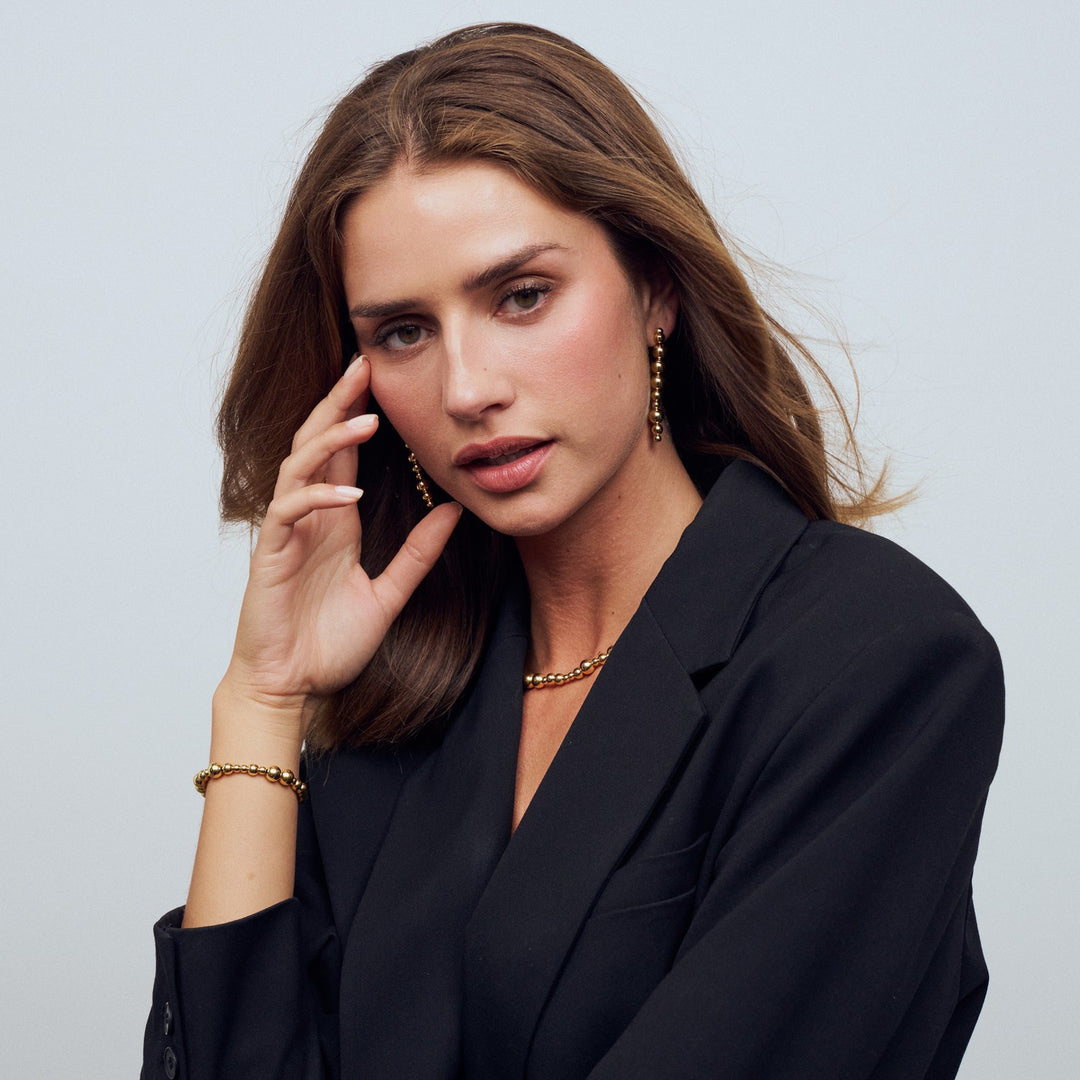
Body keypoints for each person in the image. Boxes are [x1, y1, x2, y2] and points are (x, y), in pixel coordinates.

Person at [141, 23, 1004, 1080]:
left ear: (657, 291)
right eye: (403, 331)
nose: (467, 387)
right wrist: (264, 700)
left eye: (521, 296)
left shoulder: (874, 659)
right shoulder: (404, 701)